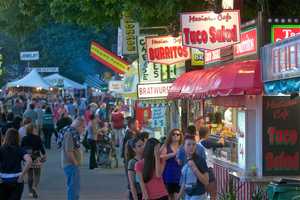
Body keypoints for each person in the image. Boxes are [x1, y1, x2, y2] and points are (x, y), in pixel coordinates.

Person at [0, 128, 32, 200]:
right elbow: (29, 160)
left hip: (2, 179)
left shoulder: (1, 149)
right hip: (16, 179)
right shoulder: (19, 149)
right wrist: (22, 174)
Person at [177, 135, 209, 200]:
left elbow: (206, 181)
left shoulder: (200, 160)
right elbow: (184, 181)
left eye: (194, 144)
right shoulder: (185, 159)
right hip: (188, 195)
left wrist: (194, 168)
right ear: (183, 146)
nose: (191, 147)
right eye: (188, 144)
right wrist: (178, 196)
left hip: (198, 195)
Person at [61, 117, 85, 200]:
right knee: (73, 188)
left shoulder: (73, 133)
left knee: (74, 187)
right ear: (78, 126)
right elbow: (69, 151)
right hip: (71, 165)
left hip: (72, 164)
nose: (83, 129)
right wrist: (75, 162)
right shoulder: (70, 134)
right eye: (83, 127)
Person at [198, 127, 225, 200]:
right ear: (207, 134)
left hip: (202, 169)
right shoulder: (206, 142)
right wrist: (222, 137)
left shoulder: (200, 143)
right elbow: (221, 144)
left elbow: (212, 148)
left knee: (206, 192)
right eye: (209, 133)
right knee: (213, 192)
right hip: (208, 169)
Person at [21, 124, 47, 198]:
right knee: (37, 174)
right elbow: (41, 147)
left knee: (29, 175)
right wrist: (44, 154)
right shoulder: (37, 138)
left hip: (28, 158)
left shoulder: (24, 138)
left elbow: (21, 148)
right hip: (36, 157)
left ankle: (30, 191)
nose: (36, 130)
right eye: (35, 129)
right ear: (32, 130)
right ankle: (34, 186)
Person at [160, 129, 183, 200]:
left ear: (180, 136)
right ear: (170, 135)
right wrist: (174, 154)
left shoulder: (182, 146)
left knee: (177, 197)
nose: (176, 135)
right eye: (173, 134)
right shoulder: (166, 145)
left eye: (178, 134)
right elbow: (161, 156)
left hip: (179, 176)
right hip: (168, 176)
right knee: (169, 197)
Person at [127, 136, 145, 200]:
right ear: (134, 149)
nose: (143, 147)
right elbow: (132, 184)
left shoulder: (148, 160)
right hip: (138, 194)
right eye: (139, 146)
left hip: (148, 193)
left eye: (143, 144)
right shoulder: (132, 162)